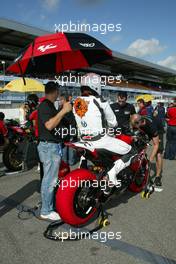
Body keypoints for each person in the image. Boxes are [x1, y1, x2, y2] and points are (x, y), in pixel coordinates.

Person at [73, 73, 137, 191]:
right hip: (100, 141)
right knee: (132, 151)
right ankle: (112, 173)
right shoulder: (100, 100)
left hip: (83, 141)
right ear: (95, 85)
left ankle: (84, 173)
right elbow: (113, 123)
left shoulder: (76, 102)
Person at [37, 82, 72, 221]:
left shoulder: (50, 106)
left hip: (52, 146)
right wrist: (63, 111)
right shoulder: (45, 105)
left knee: (51, 178)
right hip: (48, 147)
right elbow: (50, 125)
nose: (59, 94)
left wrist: (63, 111)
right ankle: (46, 210)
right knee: (50, 180)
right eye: (58, 91)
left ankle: (49, 205)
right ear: (55, 91)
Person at [130, 114, 160, 185]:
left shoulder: (151, 127)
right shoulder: (136, 121)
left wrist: (151, 158)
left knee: (158, 153)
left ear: (139, 122)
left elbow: (156, 145)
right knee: (140, 147)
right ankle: (141, 170)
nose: (133, 127)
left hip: (158, 130)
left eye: (134, 125)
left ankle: (158, 176)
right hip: (144, 130)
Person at [59, 93, 78, 166]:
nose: (60, 101)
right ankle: (66, 162)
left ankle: (69, 162)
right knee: (65, 147)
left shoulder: (69, 107)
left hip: (69, 130)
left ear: (64, 100)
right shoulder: (62, 108)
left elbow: (72, 121)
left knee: (69, 147)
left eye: (61, 99)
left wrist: (72, 132)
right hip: (63, 131)